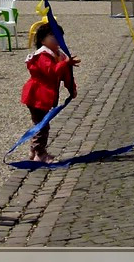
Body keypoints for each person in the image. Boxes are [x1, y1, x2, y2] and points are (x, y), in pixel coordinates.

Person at [20, 22, 80, 162]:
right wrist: (65, 63)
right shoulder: (42, 56)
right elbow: (52, 72)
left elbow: (66, 75)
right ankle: (40, 154)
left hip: (46, 96)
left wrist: (72, 89)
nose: (57, 39)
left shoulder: (59, 55)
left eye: (59, 36)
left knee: (41, 124)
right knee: (42, 126)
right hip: (37, 95)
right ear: (42, 40)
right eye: (53, 36)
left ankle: (34, 149)